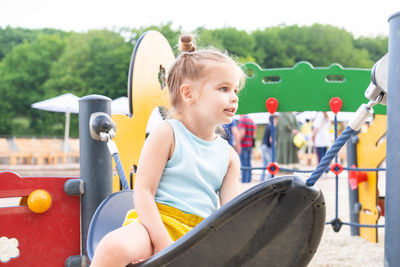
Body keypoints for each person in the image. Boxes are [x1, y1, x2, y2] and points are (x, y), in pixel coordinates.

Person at [90, 35, 245, 267]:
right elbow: (143, 193)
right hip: (155, 222)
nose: (233, 97)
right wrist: (163, 243)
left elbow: (231, 215)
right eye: (224, 88)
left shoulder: (229, 156)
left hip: (199, 234)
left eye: (235, 90)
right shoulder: (168, 134)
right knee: (113, 247)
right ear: (188, 93)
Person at [238, 114, 256, 183]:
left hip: (243, 145)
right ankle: (248, 180)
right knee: (248, 164)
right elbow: (254, 135)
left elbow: (242, 133)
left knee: (243, 164)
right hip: (250, 144)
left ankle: (244, 181)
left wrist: (237, 142)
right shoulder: (251, 120)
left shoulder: (242, 120)